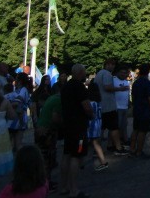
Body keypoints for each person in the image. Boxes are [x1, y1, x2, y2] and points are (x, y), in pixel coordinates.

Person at [60, 64, 94, 198]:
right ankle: (74, 189)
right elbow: (86, 106)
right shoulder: (79, 87)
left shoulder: (66, 86)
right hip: (78, 126)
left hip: (67, 124)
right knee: (77, 155)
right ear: (80, 73)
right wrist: (91, 114)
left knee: (66, 154)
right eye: (84, 72)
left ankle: (64, 186)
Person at [94, 59, 129, 155]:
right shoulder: (107, 74)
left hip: (102, 105)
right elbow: (107, 87)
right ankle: (118, 148)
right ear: (106, 65)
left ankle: (97, 149)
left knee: (102, 128)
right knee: (114, 127)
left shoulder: (99, 73)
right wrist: (120, 89)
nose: (113, 66)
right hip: (108, 106)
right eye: (111, 64)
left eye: (113, 64)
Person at [130, 64, 150, 159]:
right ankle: (139, 151)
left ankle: (132, 149)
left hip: (137, 108)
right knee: (143, 131)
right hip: (145, 109)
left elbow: (133, 97)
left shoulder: (135, 83)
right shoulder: (148, 83)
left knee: (135, 129)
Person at [6, 73, 31, 152]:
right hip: (12, 120)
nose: (14, 81)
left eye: (16, 79)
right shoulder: (17, 90)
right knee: (10, 144)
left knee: (17, 144)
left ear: (19, 81)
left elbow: (17, 102)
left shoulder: (23, 90)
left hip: (19, 120)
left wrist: (6, 105)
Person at [86, 82, 108, 171]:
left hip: (92, 124)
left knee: (90, 143)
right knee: (95, 143)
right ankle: (102, 161)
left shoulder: (90, 103)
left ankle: (102, 161)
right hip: (98, 123)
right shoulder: (98, 102)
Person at [113, 66, 130, 146]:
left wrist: (129, 102)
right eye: (122, 72)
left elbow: (127, 93)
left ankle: (125, 139)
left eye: (125, 73)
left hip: (125, 106)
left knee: (124, 124)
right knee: (117, 126)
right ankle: (116, 142)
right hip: (117, 107)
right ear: (118, 72)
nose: (124, 74)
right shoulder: (114, 80)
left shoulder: (127, 81)